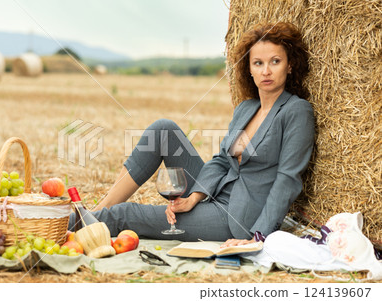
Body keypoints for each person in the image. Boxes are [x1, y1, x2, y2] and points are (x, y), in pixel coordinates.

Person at [69, 22, 315, 248]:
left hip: (238, 217)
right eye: (258, 63)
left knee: (125, 215)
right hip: (213, 191)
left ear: (290, 65)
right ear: (249, 69)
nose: (266, 71)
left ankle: (61, 227)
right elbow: (220, 161)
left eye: (275, 61)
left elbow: (288, 179)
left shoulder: (295, 111)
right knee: (163, 130)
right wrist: (195, 196)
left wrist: (257, 236)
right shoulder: (246, 109)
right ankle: (99, 210)